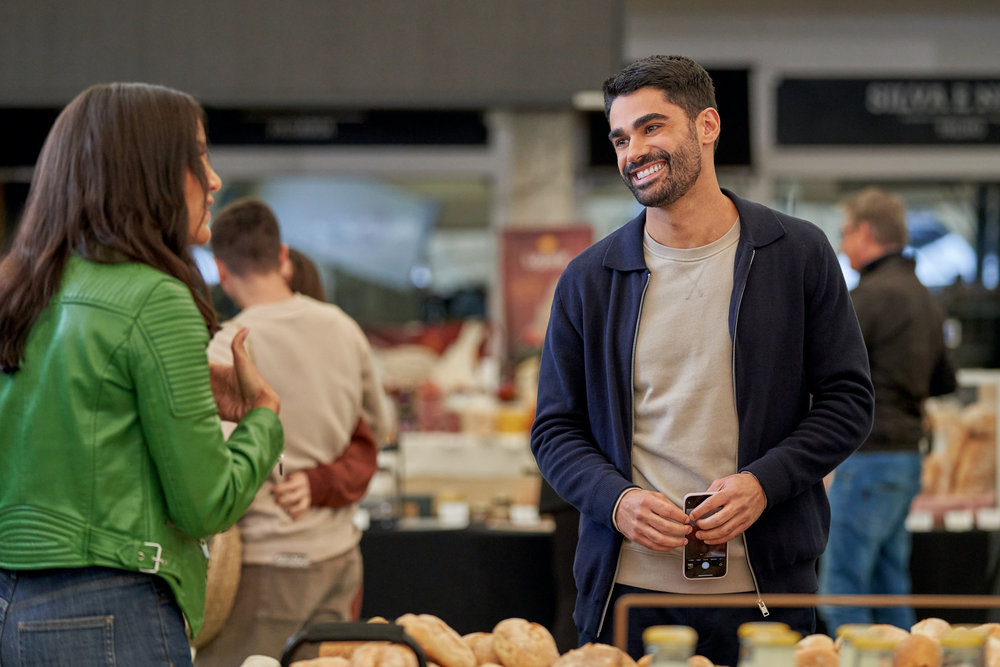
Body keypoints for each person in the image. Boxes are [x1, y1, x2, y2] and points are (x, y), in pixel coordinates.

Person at [529, 55, 875, 666]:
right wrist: (615, 500)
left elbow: (848, 404)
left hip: (764, 591)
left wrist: (764, 483)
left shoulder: (796, 255)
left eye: (652, 127)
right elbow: (556, 429)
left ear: (707, 125)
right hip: (628, 594)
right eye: (620, 137)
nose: (634, 150)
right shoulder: (591, 279)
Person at [0, 82, 284, 666]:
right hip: (113, 610)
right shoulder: (154, 297)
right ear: (147, 171)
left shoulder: (19, 288)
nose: (214, 180)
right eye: (199, 155)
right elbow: (207, 504)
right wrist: (263, 420)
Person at [194, 198, 392, 664]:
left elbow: (214, 467)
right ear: (283, 256)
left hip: (265, 564)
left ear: (222, 271)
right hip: (339, 558)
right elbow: (377, 430)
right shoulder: (343, 327)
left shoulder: (227, 344)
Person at [818, 187, 957, 632]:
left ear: (864, 232)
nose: (841, 246)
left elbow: (824, 374)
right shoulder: (925, 298)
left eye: (844, 233)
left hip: (868, 458)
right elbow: (945, 382)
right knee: (890, 588)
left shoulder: (868, 298)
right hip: (906, 459)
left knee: (842, 594)